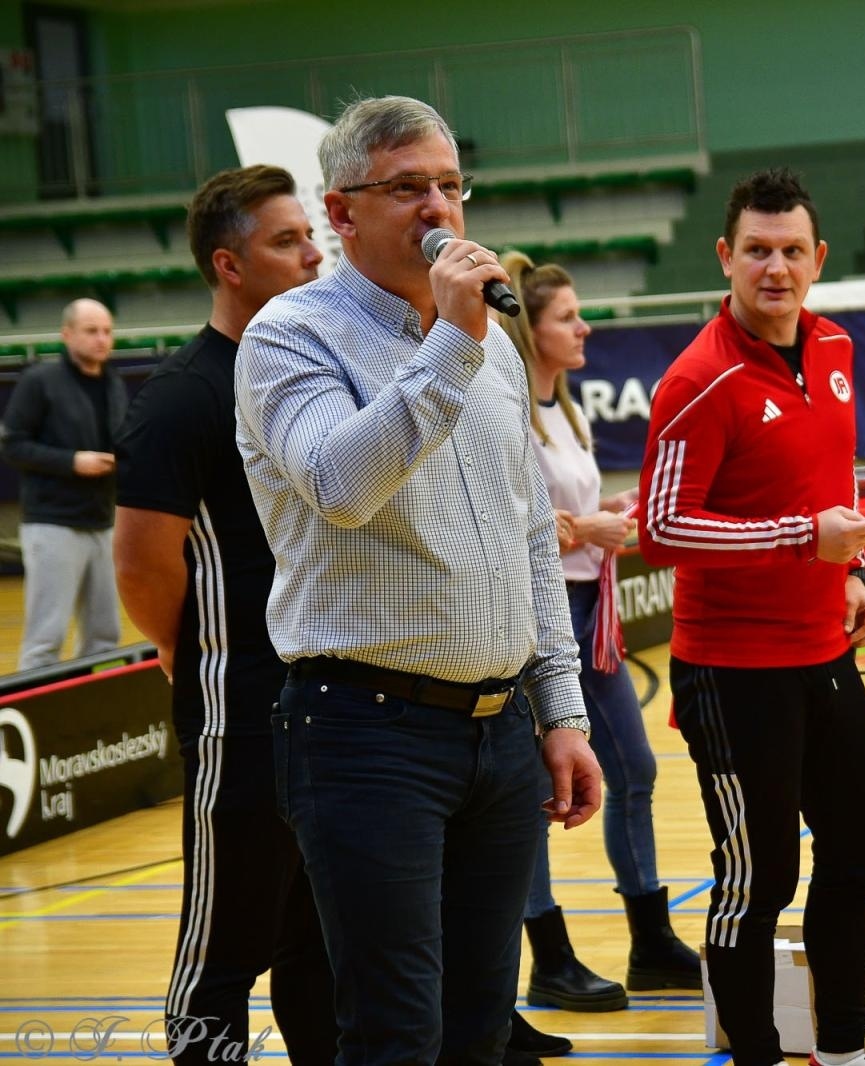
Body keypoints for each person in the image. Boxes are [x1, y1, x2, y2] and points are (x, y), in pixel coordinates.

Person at [233, 95, 602, 1066]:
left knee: (480, 1030)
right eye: (406, 187)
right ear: (341, 213)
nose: (437, 206)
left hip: (498, 731)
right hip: (366, 733)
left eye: (448, 184)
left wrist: (560, 712)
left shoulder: (490, 355)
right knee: (396, 1031)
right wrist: (450, 341)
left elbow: (530, 538)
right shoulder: (290, 336)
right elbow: (341, 485)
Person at [636, 168, 865, 1066]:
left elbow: (834, 475)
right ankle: (752, 1054)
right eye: (757, 251)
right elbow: (662, 528)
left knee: (864, 838)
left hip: (822, 649)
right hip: (732, 671)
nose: (775, 268)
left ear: (818, 258)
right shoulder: (696, 382)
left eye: (791, 251)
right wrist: (803, 539)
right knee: (760, 876)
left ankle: (841, 1045)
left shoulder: (834, 349)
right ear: (726, 257)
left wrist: (852, 569)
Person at [113, 165, 338, 1065]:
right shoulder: (182, 398)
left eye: (311, 234)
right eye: (287, 241)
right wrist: (196, 654)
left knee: (320, 951)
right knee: (220, 955)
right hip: (240, 720)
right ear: (228, 263)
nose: (313, 254)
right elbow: (140, 565)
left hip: (336, 709)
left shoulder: (314, 375)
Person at [496, 253, 701, 1015]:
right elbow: (518, 528)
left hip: (594, 617)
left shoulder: (566, 407)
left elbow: (566, 518)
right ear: (532, 329)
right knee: (529, 797)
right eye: (567, 317)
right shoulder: (509, 409)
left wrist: (607, 511)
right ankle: (550, 958)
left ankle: (651, 942)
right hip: (537, 623)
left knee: (636, 769)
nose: (583, 326)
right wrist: (590, 526)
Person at [1, 298, 124, 670]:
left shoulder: (113, 383)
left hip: (102, 523)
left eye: (106, 331)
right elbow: (13, 444)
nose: (101, 339)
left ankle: (92, 721)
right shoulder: (40, 380)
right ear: (66, 334)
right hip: (53, 524)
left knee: (105, 636)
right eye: (91, 331)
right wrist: (72, 462)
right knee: (46, 638)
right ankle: (36, 721)